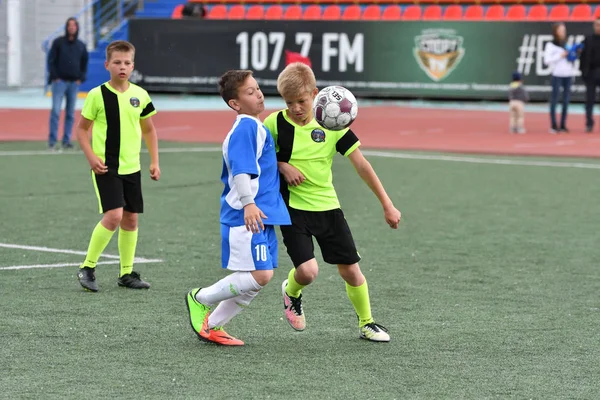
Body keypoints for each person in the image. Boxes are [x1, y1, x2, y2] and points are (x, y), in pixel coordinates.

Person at [263, 62, 401, 342]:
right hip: (293, 209)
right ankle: (291, 291)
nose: (295, 108)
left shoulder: (333, 123)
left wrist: (387, 203)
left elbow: (361, 165)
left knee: (350, 270)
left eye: (301, 101)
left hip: (328, 206)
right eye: (289, 102)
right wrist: (281, 165)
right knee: (308, 272)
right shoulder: (274, 123)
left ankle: (367, 323)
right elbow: (259, 158)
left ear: (315, 94)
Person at [185, 70, 291, 346]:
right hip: (246, 214)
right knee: (260, 274)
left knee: (260, 276)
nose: (258, 94)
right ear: (235, 103)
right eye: (250, 92)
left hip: (262, 214)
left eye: (257, 88)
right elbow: (242, 170)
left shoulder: (255, 126)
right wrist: (249, 204)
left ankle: (213, 326)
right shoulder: (245, 126)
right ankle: (200, 298)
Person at [75, 40, 160, 292]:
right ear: (107, 65)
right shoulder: (96, 95)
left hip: (132, 167)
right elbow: (81, 130)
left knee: (131, 219)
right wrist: (91, 157)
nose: (122, 67)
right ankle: (87, 267)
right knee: (114, 216)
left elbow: (149, 130)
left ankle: (126, 273)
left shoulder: (140, 95)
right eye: (117, 62)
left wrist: (154, 161)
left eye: (126, 63)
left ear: (132, 65)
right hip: (106, 167)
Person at [47, 17, 89, 150]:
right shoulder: (58, 43)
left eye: (74, 25)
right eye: (69, 25)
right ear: (66, 27)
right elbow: (51, 60)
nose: (72, 27)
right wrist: (55, 77)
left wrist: (80, 78)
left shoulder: (81, 45)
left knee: (70, 114)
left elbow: (84, 63)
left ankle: (66, 141)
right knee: (55, 112)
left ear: (77, 28)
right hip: (59, 83)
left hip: (73, 84)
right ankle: (52, 141)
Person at [543, 22, 576, 134]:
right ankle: (553, 125)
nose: (563, 32)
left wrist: (572, 55)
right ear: (555, 31)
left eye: (564, 30)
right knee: (554, 100)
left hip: (568, 75)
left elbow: (570, 59)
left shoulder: (566, 44)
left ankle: (563, 124)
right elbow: (546, 60)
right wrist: (560, 56)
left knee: (566, 101)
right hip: (557, 75)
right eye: (560, 30)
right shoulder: (551, 45)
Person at [580, 18, 600, 133]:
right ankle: (589, 123)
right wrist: (584, 72)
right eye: (597, 25)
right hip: (591, 73)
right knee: (589, 100)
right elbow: (582, 56)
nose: (598, 27)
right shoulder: (588, 39)